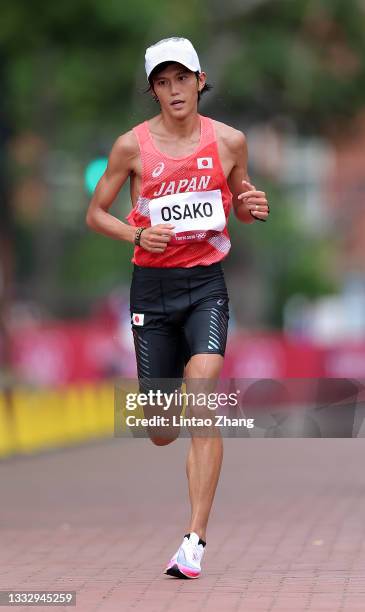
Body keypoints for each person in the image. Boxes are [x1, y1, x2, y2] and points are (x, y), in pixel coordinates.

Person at [86, 36, 270, 579]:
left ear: (200, 80)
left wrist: (250, 204)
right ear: (154, 91)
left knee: (203, 392)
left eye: (182, 79)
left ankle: (194, 540)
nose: (174, 91)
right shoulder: (130, 147)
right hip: (152, 291)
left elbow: (239, 201)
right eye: (162, 83)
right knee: (164, 427)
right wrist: (136, 237)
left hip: (206, 286)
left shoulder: (231, 141)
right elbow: (96, 213)